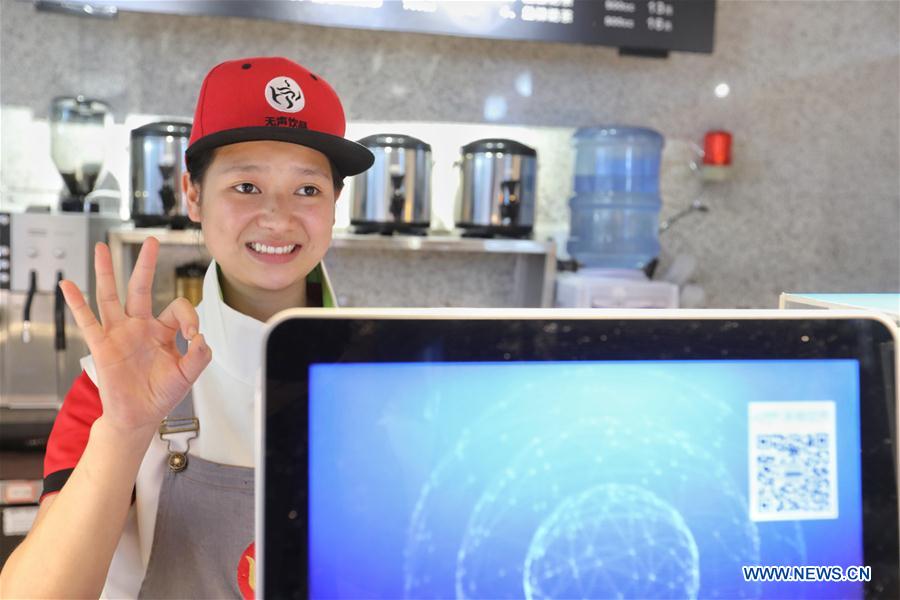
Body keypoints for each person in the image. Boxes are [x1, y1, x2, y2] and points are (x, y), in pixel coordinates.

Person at [0, 56, 374, 599]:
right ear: (193, 196)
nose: (276, 216)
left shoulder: (389, 369)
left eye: (308, 190)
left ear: (335, 202)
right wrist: (125, 430)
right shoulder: (112, 387)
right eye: (246, 186)